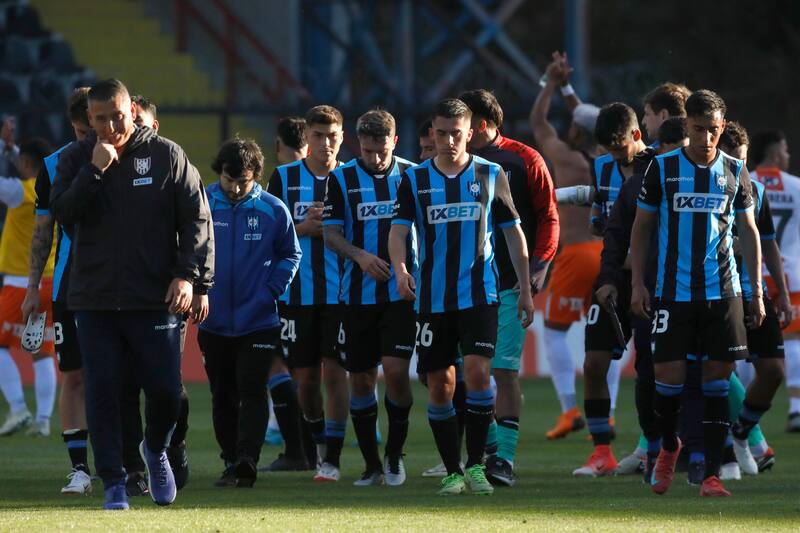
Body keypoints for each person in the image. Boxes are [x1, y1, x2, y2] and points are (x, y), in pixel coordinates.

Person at [50, 78, 214, 510]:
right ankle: (114, 484)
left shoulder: (167, 155)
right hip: (94, 299)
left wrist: (188, 276)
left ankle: (154, 448)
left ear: (132, 111)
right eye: (99, 119)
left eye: (117, 116)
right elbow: (63, 213)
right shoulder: (75, 159)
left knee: (165, 392)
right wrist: (95, 171)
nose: (109, 126)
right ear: (89, 118)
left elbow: (197, 221)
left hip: (153, 299)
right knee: (103, 391)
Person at [389, 98, 535, 496]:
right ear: (432, 134)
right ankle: (452, 470)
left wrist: (524, 288)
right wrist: (401, 269)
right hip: (432, 299)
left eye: (457, 133)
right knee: (439, 384)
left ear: (470, 133)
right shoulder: (415, 180)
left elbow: (513, 233)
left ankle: (475, 466)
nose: (449, 140)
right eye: (441, 133)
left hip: (480, 295)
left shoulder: (491, 173)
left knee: (477, 375)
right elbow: (399, 231)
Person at [631, 89, 764, 498]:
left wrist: (755, 290)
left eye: (712, 129)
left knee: (716, 384)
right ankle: (670, 446)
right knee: (667, 381)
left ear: (722, 128)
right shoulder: (662, 169)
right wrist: (638, 282)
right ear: (686, 125)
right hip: (673, 292)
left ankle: (709, 473)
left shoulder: (734, 170)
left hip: (723, 292)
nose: (705, 137)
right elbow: (642, 227)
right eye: (698, 129)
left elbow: (748, 231)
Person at [460, 89, 559, 486]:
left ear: (480, 125)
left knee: (502, 370)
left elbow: (548, 215)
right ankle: (486, 448)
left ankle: (504, 458)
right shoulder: (451, 165)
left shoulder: (524, 159)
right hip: (460, 287)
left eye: (465, 123)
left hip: (508, 284)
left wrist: (539, 266)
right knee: (468, 372)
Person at [200, 138, 301, 487]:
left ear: (256, 175)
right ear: (220, 175)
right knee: (222, 394)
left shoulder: (274, 209)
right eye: (229, 180)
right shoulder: (202, 204)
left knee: (252, 388)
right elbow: (184, 247)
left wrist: (270, 291)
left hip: (258, 320)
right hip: (211, 319)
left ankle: (247, 459)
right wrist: (198, 289)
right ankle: (230, 459)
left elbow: (292, 254)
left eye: (243, 181)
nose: (235, 187)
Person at [323, 109, 416, 486]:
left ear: (394, 142)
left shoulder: (413, 174)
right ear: (356, 145)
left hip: (400, 294)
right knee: (360, 381)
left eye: (381, 150)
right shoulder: (342, 179)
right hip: (357, 297)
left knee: (395, 373)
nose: (374, 158)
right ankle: (372, 464)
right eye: (367, 151)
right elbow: (330, 233)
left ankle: (395, 456)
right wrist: (360, 256)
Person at [572, 103, 656, 478]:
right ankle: (601, 451)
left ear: (637, 136)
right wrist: (600, 224)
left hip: (651, 280)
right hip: (611, 277)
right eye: (607, 149)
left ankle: (653, 447)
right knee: (593, 363)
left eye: (619, 148)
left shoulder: (659, 166)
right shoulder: (603, 164)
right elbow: (598, 217)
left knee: (651, 368)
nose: (614, 156)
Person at [267, 105, 350, 482]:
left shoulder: (352, 178)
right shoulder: (283, 179)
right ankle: (317, 446)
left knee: (337, 374)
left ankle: (331, 458)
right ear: (308, 139)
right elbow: (269, 236)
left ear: (342, 138)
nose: (326, 143)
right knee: (306, 381)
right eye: (318, 136)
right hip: (296, 296)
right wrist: (302, 227)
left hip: (343, 295)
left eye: (332, 136)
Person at [19, 88, 93, 495]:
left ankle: (128, 465)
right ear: (73, 125)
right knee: (74, 376)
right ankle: (80, 470)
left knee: (120, 377)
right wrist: (34, 287)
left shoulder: (126, 159)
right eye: (82, 130)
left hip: (120, 287)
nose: (88, 138)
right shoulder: (53, 165)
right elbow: (43, 231)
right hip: (70, 287)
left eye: (94, 127)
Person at [530, 52, 604, 439]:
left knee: (555, 333)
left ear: (574, 129)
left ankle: (569, 409)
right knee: (604, 338)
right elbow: (590, 120)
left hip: (575, 253)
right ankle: (603, 417)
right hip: (608, 255)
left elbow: (538, 123)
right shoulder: (611, 160)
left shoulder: (566, 158)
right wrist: (569, 87)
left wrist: (549, 82)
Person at [719, 123, 789, 475]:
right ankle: (722, 456)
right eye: (735, 161)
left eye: (745, 162)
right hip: (718, 294)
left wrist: (783, 294)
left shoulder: (756, 191)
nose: (741, 170)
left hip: (753, 295)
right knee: (717, 373)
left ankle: (742, 431)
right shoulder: (710, 189)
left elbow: (769, 243)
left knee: (774, 371)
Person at [262, 116, 313, 472]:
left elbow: (271, 234)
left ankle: (301, 451)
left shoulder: (280, 182)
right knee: (309, 373)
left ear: (278, 146)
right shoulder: (336, 176)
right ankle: (313, 450)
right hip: (328, 289)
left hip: (289, 290)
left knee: (281, 366)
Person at [0, 138, 57, 439]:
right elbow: (30, 165)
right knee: (42, 352)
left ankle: (19, 408)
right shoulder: (54, 191)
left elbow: (7, 182)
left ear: (25, 165)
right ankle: (43, 420)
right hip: (49, 283)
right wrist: (12, 151)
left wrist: (2, 147)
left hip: (21, 284)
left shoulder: (19, 192)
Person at [748, 130, 800, 433]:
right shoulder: (796, 187)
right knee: (793, 340)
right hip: (790, 275)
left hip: (753, 275)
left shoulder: (745, 180)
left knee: (743, 346)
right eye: (786, 150)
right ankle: (796, 410)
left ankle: (739, 417)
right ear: (776, 153)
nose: (788, 156)